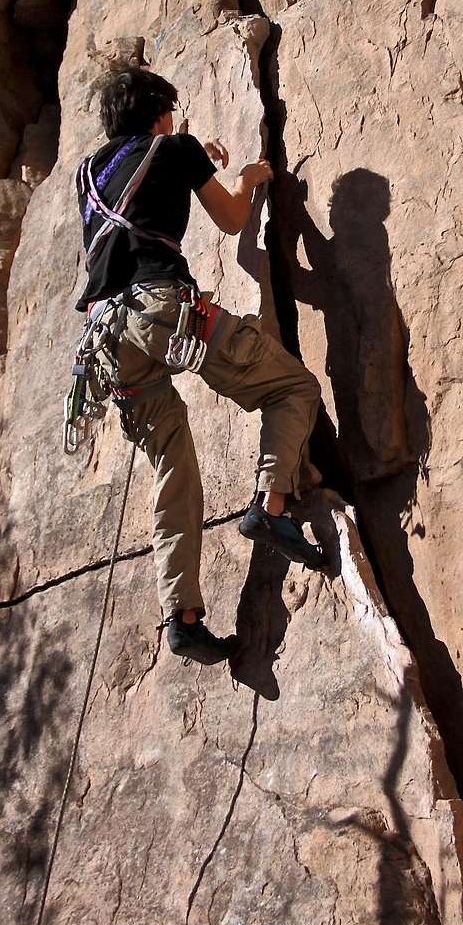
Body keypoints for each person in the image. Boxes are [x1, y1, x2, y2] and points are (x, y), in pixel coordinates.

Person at [75, 64, 324, 667]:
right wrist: (244, 177)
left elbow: (143, 194)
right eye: (170, 110)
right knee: (293, 387)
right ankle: (271, 506)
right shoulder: (176, 147)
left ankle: (182, 615)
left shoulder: (88, 172)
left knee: (173, 469)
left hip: (106, 341)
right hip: (164, 311)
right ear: (160, 111)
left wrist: (189, 156)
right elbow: (236, 219)